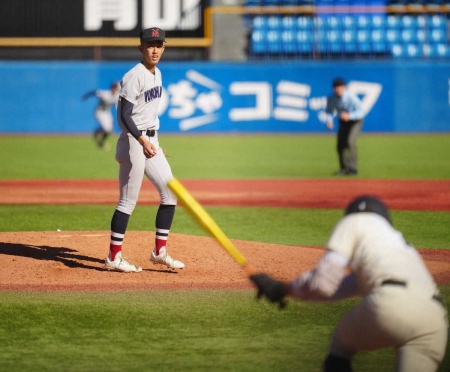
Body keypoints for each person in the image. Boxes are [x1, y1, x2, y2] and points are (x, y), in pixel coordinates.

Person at [250, 195, 448, 372]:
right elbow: (341, 287)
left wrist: (281, 289)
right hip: (435, 320)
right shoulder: (398, 246)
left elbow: (323, 285)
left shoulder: (355, 221)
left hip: (393, 304)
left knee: (340, 346)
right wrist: (284, 289)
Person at [104, 27, 184, 273]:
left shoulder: (157, 74)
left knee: (170, 194)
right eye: (150, 45)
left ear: (164, 47)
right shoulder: (133, 76)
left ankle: (159, 252)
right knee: (128, 201)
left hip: (151, 142)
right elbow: (124, 116)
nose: (155, 49)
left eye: (159, 45)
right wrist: (142, 140)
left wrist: (152, 139)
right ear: (141, 48)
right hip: (133, 142)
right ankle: (113, 258)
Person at [325, 78, 365, 176]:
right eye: (335, 87)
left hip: (355, 121)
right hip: (343, 121)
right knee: (340, 145)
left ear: (344, 87)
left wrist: (350, 116)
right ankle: (344, 168)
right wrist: (329, 120)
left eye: (339, 87)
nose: (337, 89)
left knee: (350, 142)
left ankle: (352, 169)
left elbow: (362, 112)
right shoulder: (331, 98)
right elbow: (329, 110)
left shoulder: (351, 97)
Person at [82, 81, 119, 149]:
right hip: (99, 112)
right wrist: (86, 95)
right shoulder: (106, 94)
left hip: (107, 112)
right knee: (106, 128)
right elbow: (95, 92)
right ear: (111, 88)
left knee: (110, 130)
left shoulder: (117, 96)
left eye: (116, 87)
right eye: (114, 87)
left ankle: (97, 133)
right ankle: (100, 141)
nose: (115, 89)